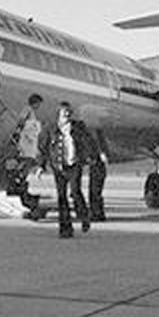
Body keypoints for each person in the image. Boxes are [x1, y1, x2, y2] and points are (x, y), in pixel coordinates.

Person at [43, 102, 94, 238]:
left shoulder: (78, 127)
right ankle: (65, 228)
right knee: (61, 197)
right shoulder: (51, 128)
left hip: (74, 165)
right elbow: (44, 147)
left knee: (76, 192)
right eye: (64, 112)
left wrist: (91, 156)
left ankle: (84, 216)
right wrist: (41, 165)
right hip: (58, 167)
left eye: (69, 112)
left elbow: (88, 141)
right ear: (58, 113)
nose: (67, 114)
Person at [86, 128, 110, 222]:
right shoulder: (97, 131)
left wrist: (101, 153)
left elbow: (97, 141)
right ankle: (98, 212)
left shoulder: (95, 131)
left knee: (94, 190)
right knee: (96, 190)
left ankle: (96, 213)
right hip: (97, 164)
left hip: (97, 164)